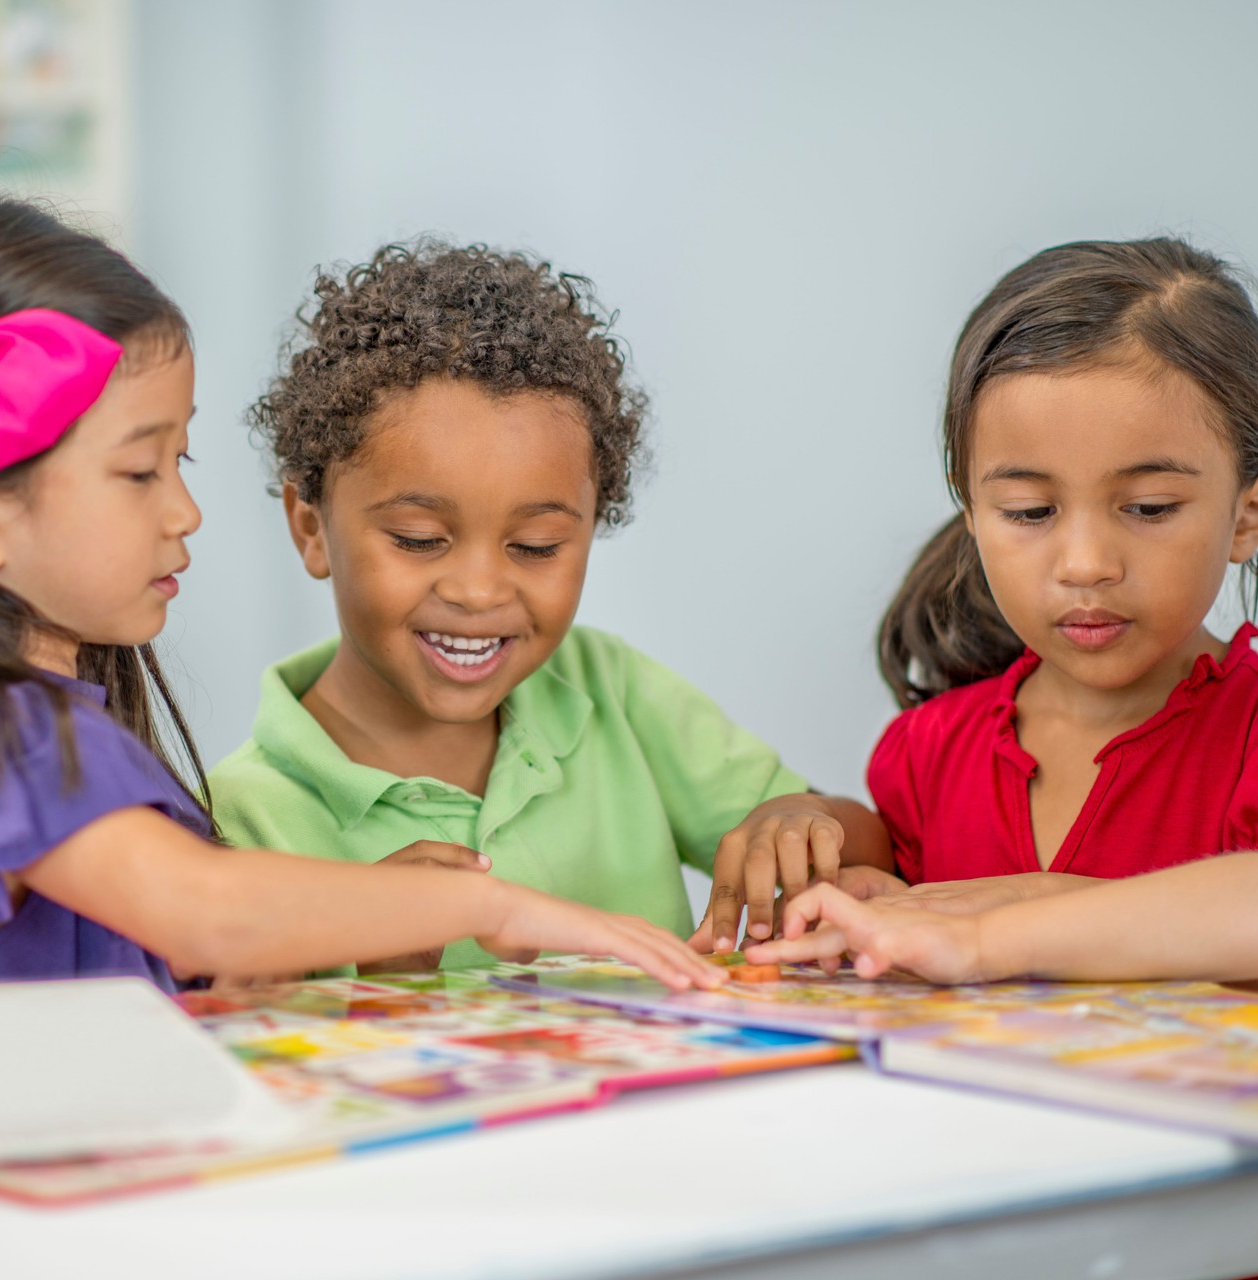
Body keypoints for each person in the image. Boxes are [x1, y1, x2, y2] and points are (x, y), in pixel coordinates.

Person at [0, 197, 722, 993]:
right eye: (141, 472)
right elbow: (207, 920)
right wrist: (489, 902)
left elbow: (186, 985)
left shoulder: (46, 728)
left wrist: (356, 930)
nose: (186, 512)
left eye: (178, 461)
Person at [209, 240, 888, 973]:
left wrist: (796, 823)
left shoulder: (609, 690)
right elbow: (245, 1043)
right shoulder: (242, 816)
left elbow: (871, 842)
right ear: (310, 527)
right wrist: (376, 951)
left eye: (535, 546)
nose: (479, 591)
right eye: (420, 539)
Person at [847, 238, 1258, 1006]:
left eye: (1149, 508)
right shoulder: (925, 752)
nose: (1087, 563)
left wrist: (1044, 907)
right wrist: (815, 827)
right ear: (973, 517)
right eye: (1030, 512)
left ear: (1248, 513)